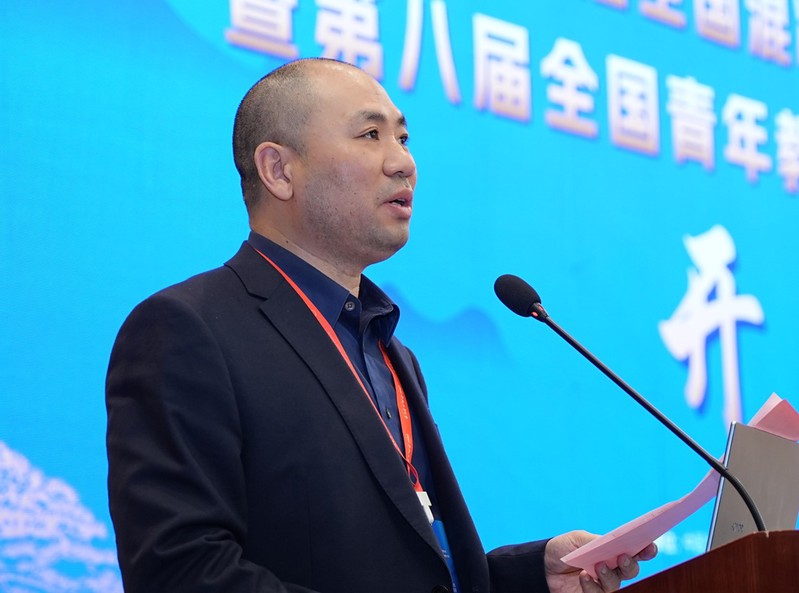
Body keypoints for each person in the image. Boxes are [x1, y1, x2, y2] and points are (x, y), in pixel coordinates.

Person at [105, 57, 655, 593]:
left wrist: (533, 575)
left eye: (404, 138)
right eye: (370, 135)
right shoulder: (189, 329)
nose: (403, 163)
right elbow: (180, 572)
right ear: (279, 170)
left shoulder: (390, 351)